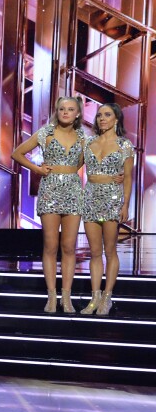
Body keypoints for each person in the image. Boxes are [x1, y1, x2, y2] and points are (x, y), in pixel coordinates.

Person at [11, 97, 87, 313]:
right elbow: (16, 153)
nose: (65, 112)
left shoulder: (83, 136)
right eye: (62, 108)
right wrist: (37, 169)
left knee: (69, 247)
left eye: (70, 109)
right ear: (57, 111)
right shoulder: (45, 132)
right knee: (51, 245)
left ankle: (67, 297)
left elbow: (88, 160)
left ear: (78, 114)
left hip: (73, 190)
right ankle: (51, 297)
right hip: (50, 190)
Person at [80, 103, 134, 315]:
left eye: (107, 115)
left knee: (110, 251)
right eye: (100, 115)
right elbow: (73, 166)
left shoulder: (125, 145)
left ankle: (107, 297)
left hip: (112, 199)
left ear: (116, 119)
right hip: (90, 198)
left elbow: (128, 177)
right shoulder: (89, 142)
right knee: (94, 252)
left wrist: (126, 204)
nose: (102, 118)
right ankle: (95, 297)